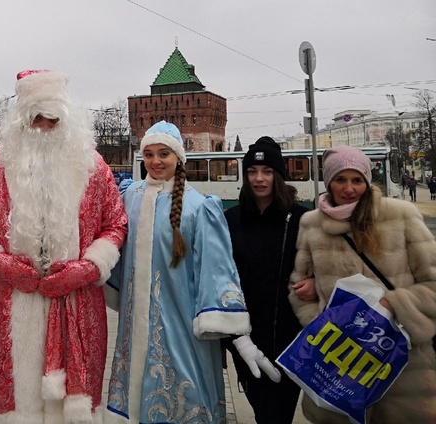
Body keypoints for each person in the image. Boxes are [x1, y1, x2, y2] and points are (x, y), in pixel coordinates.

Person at [0, 70, 128, 423]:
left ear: (66, 120)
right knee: (17, 398)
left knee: (75, 401)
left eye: (52, 119)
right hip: (11, 301)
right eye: (36, 118)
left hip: (77, 301)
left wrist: (88, 267)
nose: (44, 127)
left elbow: (115, 223)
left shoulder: (93, 167)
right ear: (22, 120)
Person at [105, 121, 280, 423]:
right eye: (148, 154)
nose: (156, 162)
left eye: (164, 154)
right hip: (133, 328)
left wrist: (239, 337)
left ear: (178, 157)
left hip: (182, 330)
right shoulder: (129, 196)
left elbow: (217, 270)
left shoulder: (199, 207)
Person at [289, 145, 436, 423]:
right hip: (338, 364)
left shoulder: (401, 216)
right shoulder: (311, 224)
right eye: (340, 179)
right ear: (328, 182)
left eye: (357, 180)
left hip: (402, 366)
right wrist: (320, 321)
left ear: (367, 182)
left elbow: (432, 282)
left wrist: (393, 304)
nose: (349, 188)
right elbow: (297, 288)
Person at [223, 137, 310, 423]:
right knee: (261, 410)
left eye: (267, 171)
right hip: (245, 338)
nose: (259, 179)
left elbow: (321, 268)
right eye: (252, 171)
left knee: (277, 415)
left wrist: (312, 283)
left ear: (279, 175)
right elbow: (220, 276)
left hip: (289, 339)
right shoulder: (230, 220)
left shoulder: (301, 219)